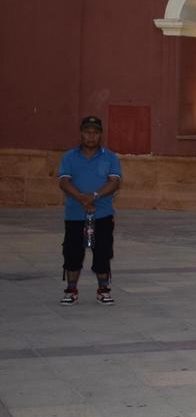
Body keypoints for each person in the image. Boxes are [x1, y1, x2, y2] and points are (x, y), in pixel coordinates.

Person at [57, 115, 122, 306]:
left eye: (95, 132)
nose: (91, 136)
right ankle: (71, 289)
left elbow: (114, 181)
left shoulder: (110, 157)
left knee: (102, 251)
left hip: (102, 213)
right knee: (72, 251)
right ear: (81, 133)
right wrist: (80, 198)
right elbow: (63, 181)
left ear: (100, 135)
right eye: (87, 132)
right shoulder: (69, 157)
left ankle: (103, 289)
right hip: (75, 214)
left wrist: (94, 196)